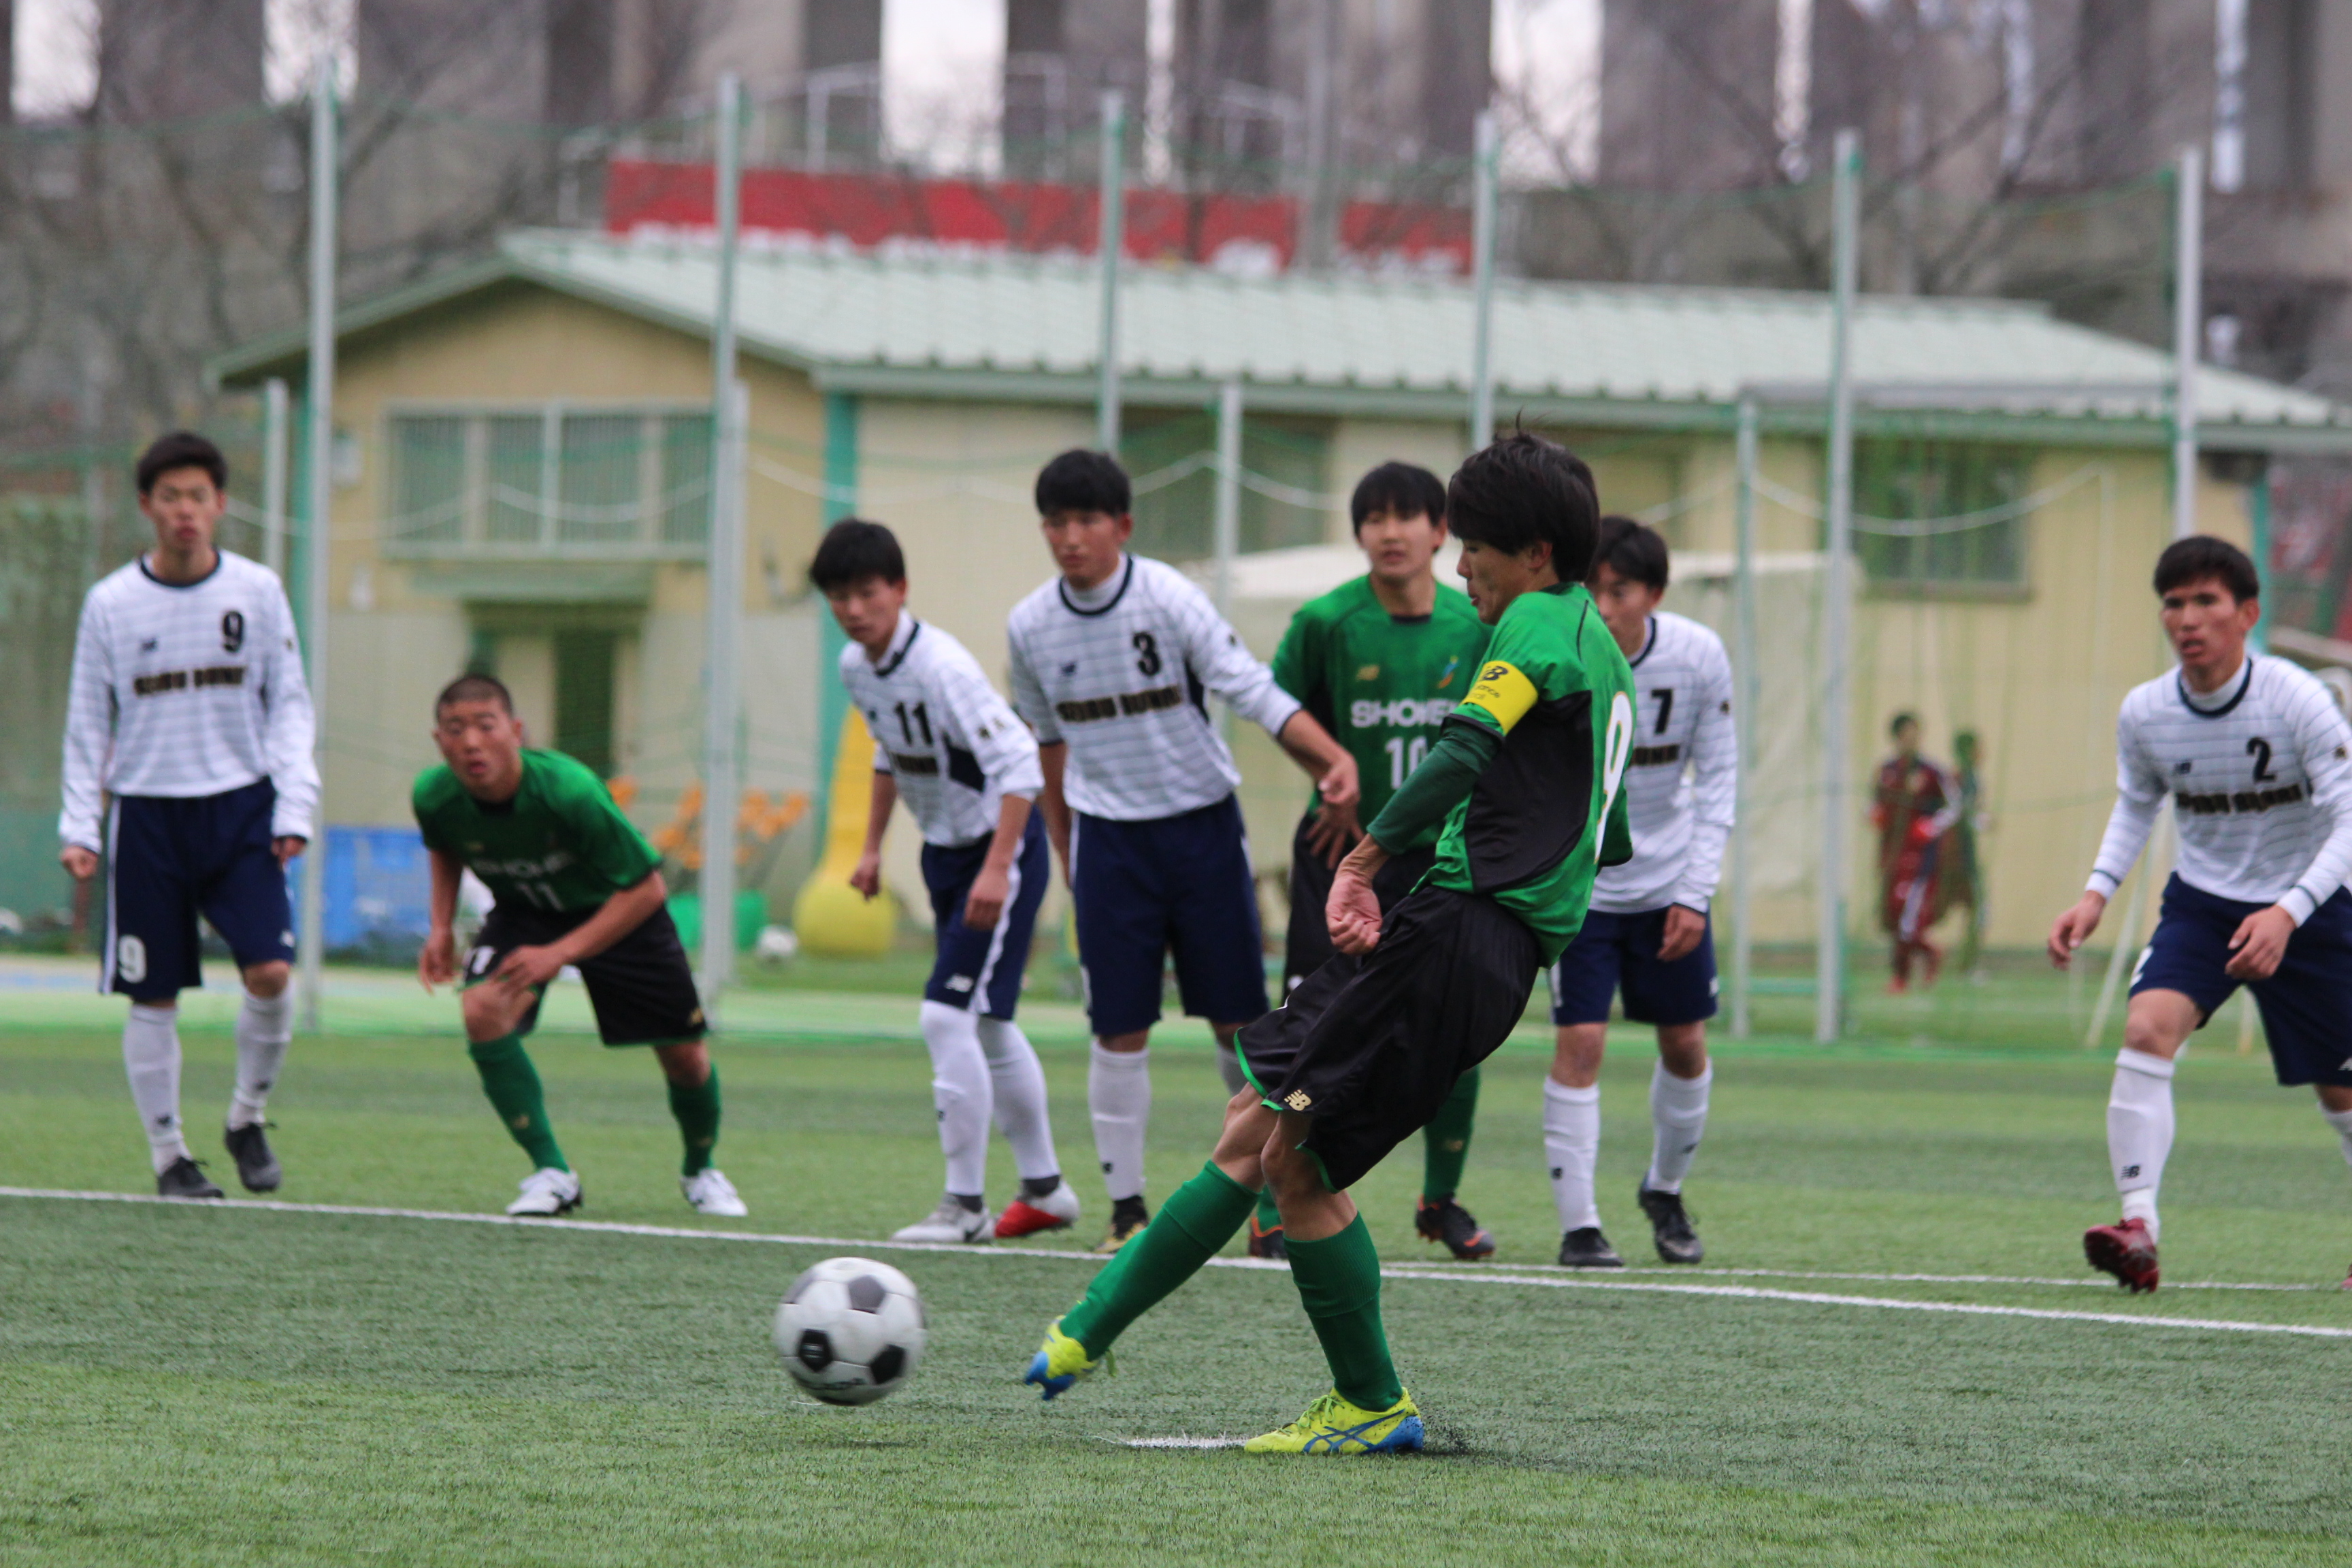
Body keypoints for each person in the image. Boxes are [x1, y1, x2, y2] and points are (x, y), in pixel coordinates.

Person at [1022, 433, 1634, 1455]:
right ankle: (1086, 1334)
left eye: (1470, 544)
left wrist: (1368, 865)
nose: (1456, 565)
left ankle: (1367, 1401)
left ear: (1530, 550)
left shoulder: (1530, 623)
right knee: (1254, 1128)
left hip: (1453, 935)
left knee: (1294, 1162)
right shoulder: (1600, 645)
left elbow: (1465, 749)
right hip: (1484, 944)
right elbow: (1608, 834)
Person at [1007, 450, 1360, 1253]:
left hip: (1200, 832)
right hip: (1110, 847)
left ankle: (1271, 1193)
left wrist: (1329, 759)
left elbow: (1251, 688)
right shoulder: (1030, 625)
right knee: (1118, 1030)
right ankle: (1126, 1210)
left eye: (1087, 521)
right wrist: (1067, 846)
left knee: (1240, 1025)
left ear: (1122, 527)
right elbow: (1048, 742)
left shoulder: (1170, 599)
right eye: (1056, 523)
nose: (1070, 538)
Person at [2050, 536, 2352, 1294]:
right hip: (2206, 907)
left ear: (2247, 614)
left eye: (2206, 601)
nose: (2188, 618)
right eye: (2175, 602)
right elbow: (2136, 804)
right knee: (2147, 1028)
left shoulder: (2296, 698)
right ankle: (2138, 1227)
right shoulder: (2147, 712)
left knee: (2342, 1091)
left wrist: (2289, 912)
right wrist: (2095, 892)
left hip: (2311, 906)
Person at [59, 432, 316, 1200]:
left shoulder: (259, 591)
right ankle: (171, 1157)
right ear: (148, 507)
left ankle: (247, 1117)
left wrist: (293, 803)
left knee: (270, 971)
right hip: (147, 817)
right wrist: (80, 826)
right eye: (170, 498)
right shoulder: (111, 602)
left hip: (242, 809)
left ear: (221, 505)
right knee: (153, 994)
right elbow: (87, 723)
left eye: (198, 497)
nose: (185, 512)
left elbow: (290, 707)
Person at [815, 518, 1079, 1245]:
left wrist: (998, 868)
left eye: (867, 592)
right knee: (988, 1021)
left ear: (899, 590)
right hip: (949, 852)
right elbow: (888, 753)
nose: (854, 608)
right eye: (839, 595)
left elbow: (1022, 767)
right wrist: (871, 848)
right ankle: (1047, 1190)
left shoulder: (942, 667)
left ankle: (963, 1207)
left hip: (1001, 847)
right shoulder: (856, 667)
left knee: (944, 1017)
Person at [1257, 460, 1494, 1262]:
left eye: (1409, 517)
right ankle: (1272, 1196)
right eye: (1373, 518)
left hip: (1442, 862)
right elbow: (1277, 706)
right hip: (1340, 858)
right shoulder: (1326, 621)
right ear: (1359, 534)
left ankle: (1441, 1201)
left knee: (1457, 1034)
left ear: (1440, 532)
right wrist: (1327, 772)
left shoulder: (1477, 627)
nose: (1390, 532)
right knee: (1308, 1030)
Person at [414, 674, 746, 1218]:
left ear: (516, 731)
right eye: (456, 729)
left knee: (685, 1057)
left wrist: (560, 954)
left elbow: (647, 888)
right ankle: (552, 1173)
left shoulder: (569, 790)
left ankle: (701, 1170)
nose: (471, 742)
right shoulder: (434, 795)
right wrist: (441, 927)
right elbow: (445, 847)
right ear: (439, 740)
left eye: (485, 725)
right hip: (527, 912)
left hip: (621, 911)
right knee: (482, 1009)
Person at [1544, 517, 1735, 1269]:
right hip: (1583, 889)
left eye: (1617, 589)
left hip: (1669, 887)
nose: (1600, 603)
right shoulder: (1560, 653)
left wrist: (1694, 892)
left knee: (1685, 1044)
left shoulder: (1697, 657)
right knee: (1580, 1041)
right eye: (1589, 587)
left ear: (1653, 594)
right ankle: (1580, 1227)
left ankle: (1665, 1188)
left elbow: (1718, 781)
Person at [1872, 713, 1959, 992]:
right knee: (1892, 917)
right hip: (1892, 856)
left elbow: (1955, 807)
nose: (1912, 739)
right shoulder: (1886, 771)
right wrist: (1876, 815)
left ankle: (1901, 977)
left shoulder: (1932, 772)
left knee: (1909, 919)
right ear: (1896, 737)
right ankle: (1930, 952)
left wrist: (1931, 826)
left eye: (1916, 734)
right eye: (1907, 734)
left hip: (1921, 860)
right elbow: (1872, 805)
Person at [1948, 729, 1990, 980]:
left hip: (1966, 852)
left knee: (1978, 910)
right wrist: (1981, 821)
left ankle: (1966, 961)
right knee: (1978, 908)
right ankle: (1966, 964)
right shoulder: (1958, 780)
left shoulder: (1973, 778)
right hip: (1957, 854)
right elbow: (1960, 815)